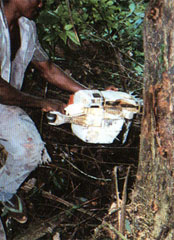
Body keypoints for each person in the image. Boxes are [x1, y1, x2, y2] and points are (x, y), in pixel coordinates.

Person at [0, 0, 116, 226]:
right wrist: (42, 102)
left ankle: (3, 192)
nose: (42, 4)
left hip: (5, 103)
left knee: (30, 150)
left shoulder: (27, 27)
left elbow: (48, 69)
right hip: (4, 97)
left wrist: (94, 94)